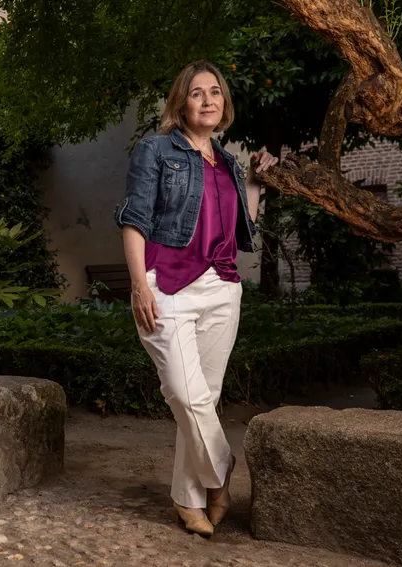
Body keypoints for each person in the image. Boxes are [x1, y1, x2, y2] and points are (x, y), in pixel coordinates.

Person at [113, 60, 278, 538]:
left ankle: (189, 501)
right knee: (186, 396)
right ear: (180, 103)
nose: (208, 100)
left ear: (224, 102)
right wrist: (139, 284)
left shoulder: (227, 162)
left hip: (222, 288)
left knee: (204, 400)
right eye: (197, 92)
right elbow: (134, 218)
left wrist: (254, 181)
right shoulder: (156, 150)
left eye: (215, 92)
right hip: (167, 286)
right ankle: (222, 473)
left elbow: (242, 226)